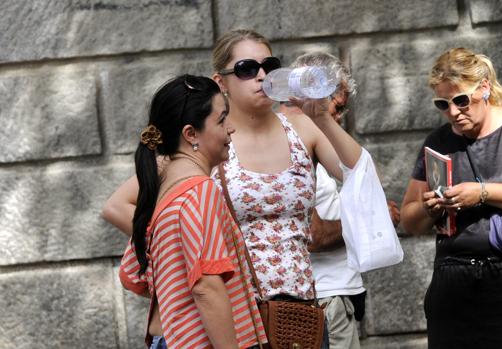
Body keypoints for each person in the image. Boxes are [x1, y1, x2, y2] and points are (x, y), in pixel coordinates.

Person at [104, 29, 371, 348]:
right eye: (246, 68)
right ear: (221, 81)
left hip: (298, 310)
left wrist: (322, 118)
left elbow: (363, 176)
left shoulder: (301, 128)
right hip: (235, 312)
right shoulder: (207, 143)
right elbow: (118, 206)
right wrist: (184, 256)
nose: (261, 75)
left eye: (269, 65)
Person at [400, 48, 502, 349]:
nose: (453, 112)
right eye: (442, 104)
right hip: (453, 280)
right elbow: (409, 220)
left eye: (461, 100)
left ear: (485, 87)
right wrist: (429, 208)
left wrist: (482, 193)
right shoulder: (437, 142)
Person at [116, 74, 266, 349]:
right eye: (221, 120)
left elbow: (132, 277)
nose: (230, 128)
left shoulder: (162, 190)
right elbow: (206, 287)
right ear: (190, 134)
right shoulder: (199, 191)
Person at [279, 51, 400, 349]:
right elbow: (314, 235)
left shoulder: (286, 134)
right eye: (338, 106)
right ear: (317, 94)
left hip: (325, 294)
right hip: (323, 297)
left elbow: (361, 174)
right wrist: (370, 219)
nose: (339, 117)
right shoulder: (297, 138)